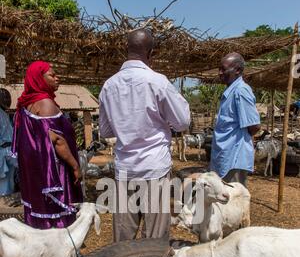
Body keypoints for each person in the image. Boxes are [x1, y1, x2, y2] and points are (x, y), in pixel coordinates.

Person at [99, 29, 190, 242]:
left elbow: (105, 131)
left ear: (126, 49)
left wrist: (125, 126)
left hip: (125, 168)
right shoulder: (158, 82)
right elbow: (182, 122)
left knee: (123, 236)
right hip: (154, 166)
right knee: (155, 238)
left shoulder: (109, 86)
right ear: (151, 53)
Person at [12, 61, 83, 229]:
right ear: (38, 79)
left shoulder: (26, 104)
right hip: (53, 170)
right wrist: (75, 166)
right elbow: (57, 140)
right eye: (52, 75)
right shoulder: (45, 103)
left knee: (41, 206)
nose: (57, 78)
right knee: (55, 208)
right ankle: (58, 238)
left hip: (36, 170)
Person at [210, 52, 261, 187]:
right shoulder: (230, 92)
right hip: (225, 157)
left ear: (237, 70)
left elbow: (254, 126)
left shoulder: (240, 91)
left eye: (224, 69)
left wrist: (237, 141)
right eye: (219, 69)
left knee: (232, 202)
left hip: (233, 159)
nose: (220, 73)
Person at [0, 88, 17, 196]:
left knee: (8, 181)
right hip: (4, 151)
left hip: (9, 151)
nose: (7, 99)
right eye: (4, 97)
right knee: (4, 183)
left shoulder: (4, 114)